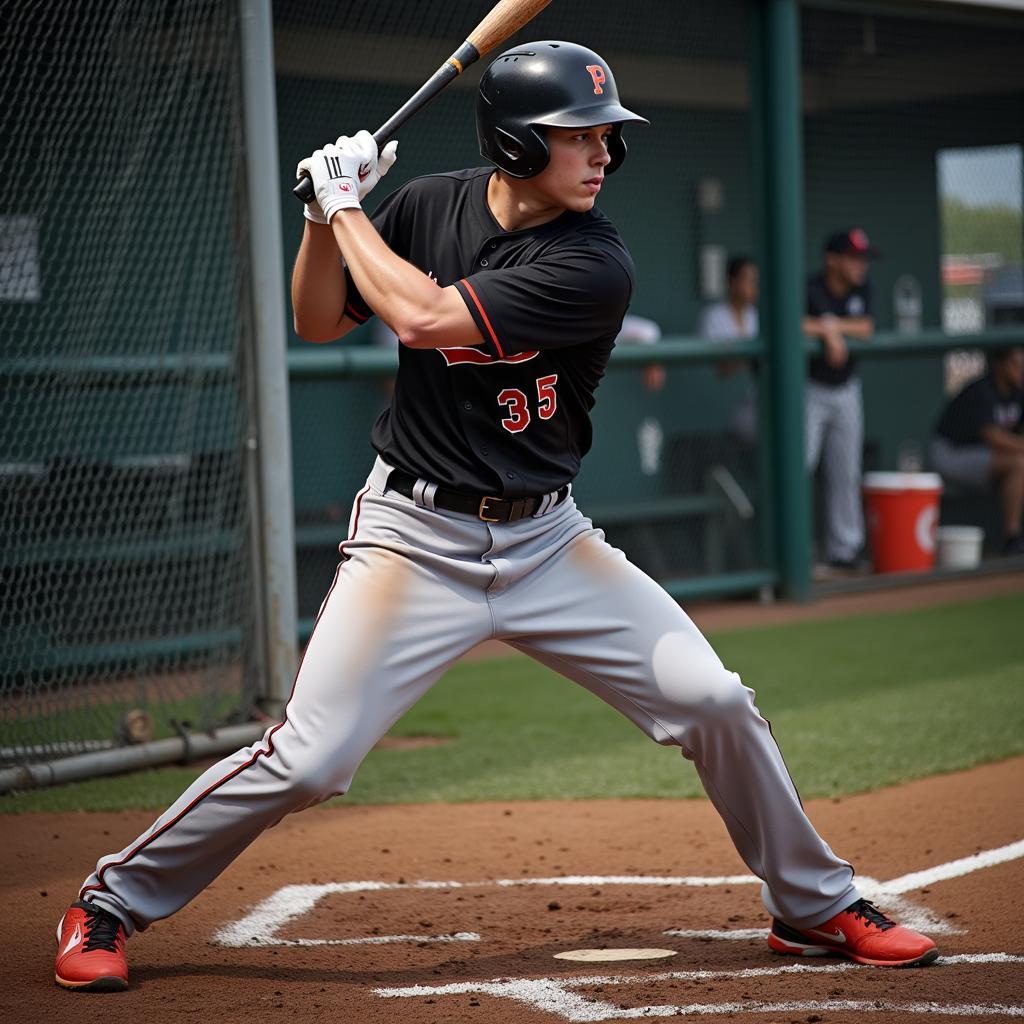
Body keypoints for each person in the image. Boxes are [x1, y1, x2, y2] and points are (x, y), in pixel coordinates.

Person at [55, 42, 937, 993]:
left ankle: (813, 907)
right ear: (517, 144)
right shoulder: (430, 202)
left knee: (715, 700)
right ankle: (107, 901)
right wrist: (319, 219)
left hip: (549, 542)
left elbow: (426, 317)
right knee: (310, 760)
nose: (603, 156)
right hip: (413, 539)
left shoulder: (595, 262)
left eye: (608, 138)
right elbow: (319, 319)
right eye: (578, 138)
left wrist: (346, 204)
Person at [803, 229, 878, 572]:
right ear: (832, 260)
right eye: (852, 257)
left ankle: (844, 550)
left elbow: (866, 327)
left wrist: (832, 326)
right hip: (808, 389)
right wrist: (828, 330)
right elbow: (793, 322)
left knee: (846, 472)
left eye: (862, 258)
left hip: (846, 389)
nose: (859, 265)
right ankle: (794, 551)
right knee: (800, 467)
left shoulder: (862, 290)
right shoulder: (811, 288)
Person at [930, 345, 1024, 555]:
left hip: (983, 456)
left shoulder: (1018, 392)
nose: (1021, 370)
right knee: (1018, 462)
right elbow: (993, 436)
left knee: (1018, 462)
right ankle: (1012, 538)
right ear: (999, 365)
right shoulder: (982, 389)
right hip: (950, 453)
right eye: (1016, 364)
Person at [700, 255, 759, 442]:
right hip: (715, 406)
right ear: (732, 283)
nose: (753, 286)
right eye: (748, 280)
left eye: (755, 281)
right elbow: (722, 368)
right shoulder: (713, 315)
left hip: (752, 401)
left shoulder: (755, 316)